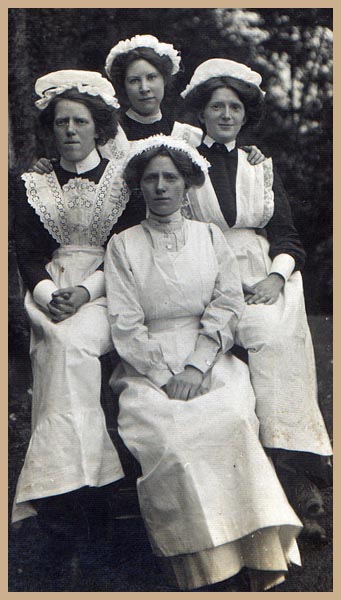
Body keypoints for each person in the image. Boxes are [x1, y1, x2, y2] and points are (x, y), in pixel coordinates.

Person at [104, 135, 303, 592]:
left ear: (187, 184)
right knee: (174, 440)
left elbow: (227, 302)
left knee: (231, 421)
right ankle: (205, 571)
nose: (160, 187)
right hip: (146, 370)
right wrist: (162, 375)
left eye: (170, 178)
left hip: (210, 357)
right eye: (151, 179)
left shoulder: (210, 235)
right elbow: (125, 321)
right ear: (139, 187)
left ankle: (255, 555)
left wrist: (196, 366)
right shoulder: (123, 245)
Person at [180, 58, 333, 539]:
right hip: (203, 270)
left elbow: (287, 237)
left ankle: (298, 475)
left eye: (234, 107)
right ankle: (248, 495)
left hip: (258, 272)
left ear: (245, 116)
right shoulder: (184, 161)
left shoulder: (258, 165)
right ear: (201, 113)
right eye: (216, 106)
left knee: (272, 341)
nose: (225, 114)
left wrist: (275, 276)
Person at [11, 70, 142, 558]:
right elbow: (25, 249)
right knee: (55, 350)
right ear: (52, 129)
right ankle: (70, 493)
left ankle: (78, 488)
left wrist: (86, 292)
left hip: (109, 288)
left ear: (98, 127)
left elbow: (124, 250)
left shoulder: (120, 181)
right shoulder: (34, 182)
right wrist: (48, 294)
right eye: (61, 121)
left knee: (70, 347)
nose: (69, 130)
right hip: (49, 289)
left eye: (80, 121)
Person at [32, 35, 264, 175]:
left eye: (152, 78)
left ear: (164, 80)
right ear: (124, 86)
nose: (144, 88)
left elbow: (223, 159)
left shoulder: (189, 136)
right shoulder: (104, 135)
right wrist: (46, 166)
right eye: (135, 81)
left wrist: (249, 154)